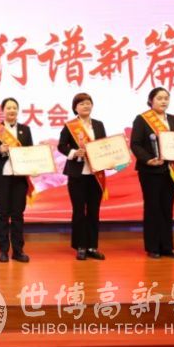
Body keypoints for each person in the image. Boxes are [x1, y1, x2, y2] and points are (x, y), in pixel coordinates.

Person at [130, 87, 174, 259]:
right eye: (159, 98)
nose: (163, 101)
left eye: (166, 98)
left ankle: (167, 246)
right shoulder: (142, 119)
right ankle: (153, 247)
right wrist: (148, 160)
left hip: (171, 170)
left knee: (167, 207)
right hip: (151, 170)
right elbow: (135, 144)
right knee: (153, 207)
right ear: (151, 100)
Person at [57, 92, 107, 261]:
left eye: (88, 103)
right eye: (82, 104)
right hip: (77, 174)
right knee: (79, 211)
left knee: (94, 211)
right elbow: (61, 146)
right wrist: (74, 153)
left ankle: (92, 246)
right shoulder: (70, 126)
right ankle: (80, 246)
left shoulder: (99, 125)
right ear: (75, 108)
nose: (86, 106)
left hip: (95, 174)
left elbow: (104, 145)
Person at [0, 97, 34, 263]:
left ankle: (18, 251)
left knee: (18, 215)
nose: (12, 110)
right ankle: (3, 251)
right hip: (1, 177)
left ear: (18, 110)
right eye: (8, 108)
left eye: (14, 107)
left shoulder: (25, 130)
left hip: (19, 178)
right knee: (2, 214)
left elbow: (30, 152)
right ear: (3, 111)